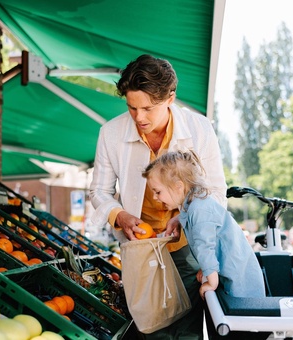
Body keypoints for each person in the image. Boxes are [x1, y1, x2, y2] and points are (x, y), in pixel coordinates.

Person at [89, 54, 227, 339]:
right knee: (151, 329)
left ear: (170, 99)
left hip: (188, 247)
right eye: (131, 107)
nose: (139, 117)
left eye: (148, 109)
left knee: (188, 329)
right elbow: (99, 191)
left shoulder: (200, 129)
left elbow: (215, 191)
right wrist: (120, 216)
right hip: (141, 249)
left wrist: (183, 217)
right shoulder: (110, 134)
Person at [142, 150, 266, 300]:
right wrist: (206, 269)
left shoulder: (199, 209)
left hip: (240, 281)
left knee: (244, 319)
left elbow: (204, 246)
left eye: (157, 191)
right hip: (230, 274)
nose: (155, 198)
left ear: (178, 186)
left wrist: (211, 282)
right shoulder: (192, 206)